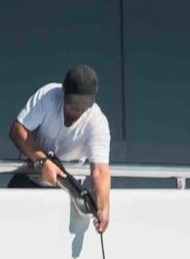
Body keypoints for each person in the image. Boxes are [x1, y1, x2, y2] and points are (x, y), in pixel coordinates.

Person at [7, 65, 112, 232]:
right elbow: (18, 130)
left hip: (67, 192)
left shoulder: (97, 122)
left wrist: (103, 207)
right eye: (74, 102)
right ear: (63, 92)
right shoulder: (48, 96)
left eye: (85, 104)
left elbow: (100, 171)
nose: (78, 109)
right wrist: (42, 161)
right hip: (28, 180)